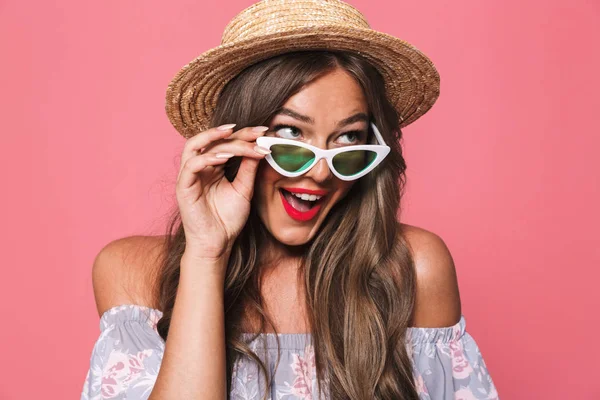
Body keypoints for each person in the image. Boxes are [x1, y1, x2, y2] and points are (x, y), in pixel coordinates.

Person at [81, 0, 499, 399]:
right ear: (237, 139)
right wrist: (207, 256)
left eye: (349, 138)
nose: (320, 171)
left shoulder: (413, 267)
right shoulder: (132, 273)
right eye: (290, 134)